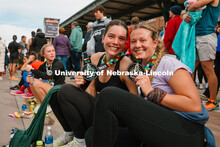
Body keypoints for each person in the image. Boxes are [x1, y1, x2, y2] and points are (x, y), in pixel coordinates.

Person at [86, 22, 214, 147]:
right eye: (134, 41)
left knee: (109, 94)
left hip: (186, 133)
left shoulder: (168, 63)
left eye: (143, 40)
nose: (137, 45)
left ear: (155, 42)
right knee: (92, 134)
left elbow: (195, 105)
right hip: (157, 130)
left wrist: (153, 93)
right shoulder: (141, 68)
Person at [51, 20, 138, 147]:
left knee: (65, 90)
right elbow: (91, 93)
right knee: (57, 92)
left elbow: (136, 105)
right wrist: (81, 85)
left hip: (114, 123)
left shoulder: (126, 65)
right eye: (111, 36)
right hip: (98, 112)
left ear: (125, 43)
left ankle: (81, 141)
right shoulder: (96, 58)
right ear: (103, 38)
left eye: (121, 38)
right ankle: (72, 135)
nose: (115, 42)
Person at [184, 0, 220, 110]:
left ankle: (213, 101)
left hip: (206, 36)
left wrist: (188, 9)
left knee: (208, 69)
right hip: (195, 34)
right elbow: (187, 11)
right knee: (190, 68)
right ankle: (190, 96)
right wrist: (186, 14)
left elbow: (196, 5)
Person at [25, 44, 65, 113]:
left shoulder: (58, 63)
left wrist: (32, 69)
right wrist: (29, 79)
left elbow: (48, 75)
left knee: (36, 82)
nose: (52, 53)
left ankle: (47, 106)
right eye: (49, 51)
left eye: (53, 51)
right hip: (51, 89)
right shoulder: (44, 65)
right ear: (43, 54)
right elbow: (36, 76)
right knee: (32, 82)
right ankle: (41, 104)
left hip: (58, 91)